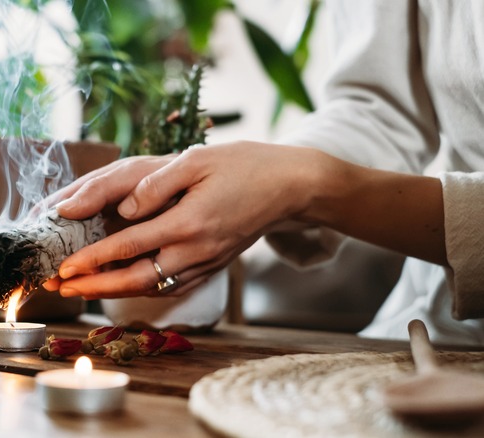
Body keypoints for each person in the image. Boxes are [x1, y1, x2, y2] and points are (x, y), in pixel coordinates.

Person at [44, 1, 484, 346]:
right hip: (430, 330)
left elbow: (314, 178)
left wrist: (306, 185)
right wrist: (251, 178)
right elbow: (378, 110)